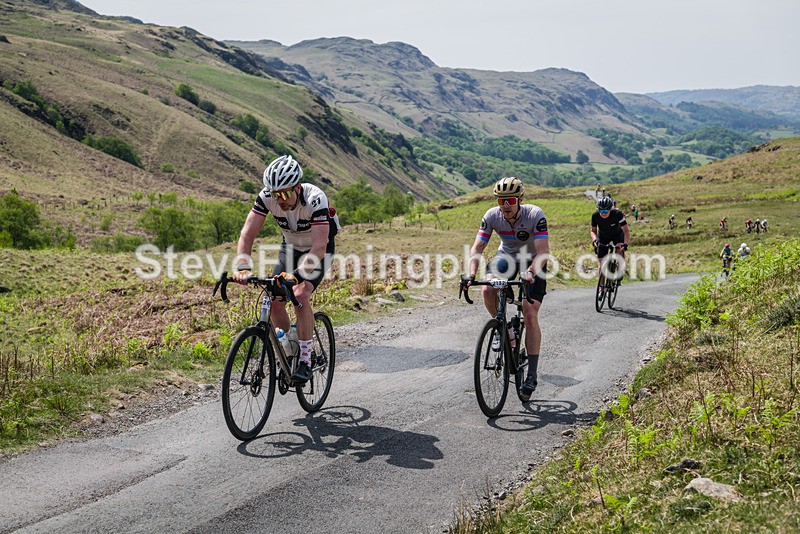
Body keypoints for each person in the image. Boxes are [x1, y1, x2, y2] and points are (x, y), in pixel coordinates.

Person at [233, 155, 339, 384]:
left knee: (300, 294)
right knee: (274, 297)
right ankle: (291, 345)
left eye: (284, 194)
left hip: (318, 250)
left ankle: (305, 359)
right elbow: (247, 234)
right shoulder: (266, 198)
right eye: (274, 194)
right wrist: (242, 266)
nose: (279, 200)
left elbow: (320, 246)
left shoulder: (315, 199)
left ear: (297, 187)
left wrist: (298, 276)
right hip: (290, 247)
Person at [464, 177, 549, 401]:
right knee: (487, 289)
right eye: (501, 201)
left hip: (533, 259)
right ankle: (504, 329)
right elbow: (478, 246)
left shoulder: (535, 214)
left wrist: (530, 272)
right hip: (507, 256)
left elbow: (543, 252)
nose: (506, 205)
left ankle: (531, 374)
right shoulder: (492, 215)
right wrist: (471, 274)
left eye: (510, 200)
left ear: (520, 199)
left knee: (529, 315)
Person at [590, 196, 630, 285]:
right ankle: (601, 287)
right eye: (601, 211)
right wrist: (595, 240)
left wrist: (625, 244)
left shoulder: (617, 214)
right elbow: (593, 231)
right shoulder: (595, 216)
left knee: (619, 249)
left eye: (605, 211)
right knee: (601, 264)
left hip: (617, 235)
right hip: (603, 236)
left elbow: (626, 231)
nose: (603, 213)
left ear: (610, 209)